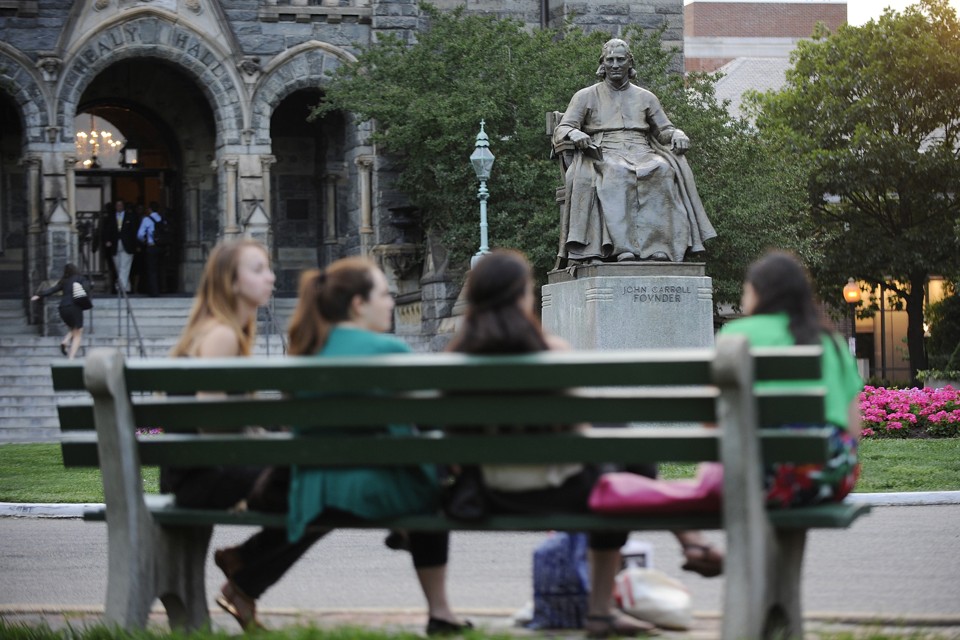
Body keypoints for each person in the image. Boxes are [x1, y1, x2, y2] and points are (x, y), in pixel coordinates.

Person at [446, 249, 722, 638]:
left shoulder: (453, 361)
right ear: (521, 296)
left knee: (617, 440)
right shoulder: (552, 354)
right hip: (561, 491)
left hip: (485, 494)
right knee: (620, 450)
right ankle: (607, 606)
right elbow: (578, 435)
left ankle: (684, 545)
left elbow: (449, 443)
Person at [284, 257, 468, 636]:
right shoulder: (387, 350)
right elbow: (435, 418)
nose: (392, 301)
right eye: (384, 294)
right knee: (431, 487)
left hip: (313, 490)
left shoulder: (305, 349)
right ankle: (440, 611)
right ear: (358, 304)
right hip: (376, 491)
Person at [160, 238, 323, 631]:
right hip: (204, 476)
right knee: (324, 492)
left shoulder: (221, 330)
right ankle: (245, 570)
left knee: (321, 488)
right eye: (258, 269)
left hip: (198, 471)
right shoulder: (221, 335)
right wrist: (273, 450)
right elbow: (213, 422)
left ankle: (244, 573)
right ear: (231, 283)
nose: (271, 277)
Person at [553, 38, 716, 265]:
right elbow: (563, 127)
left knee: (662, 169)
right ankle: (622, 249)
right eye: (610, 60)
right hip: (604, 150)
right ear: (602, 64)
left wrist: (678, 133)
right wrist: (574, 134)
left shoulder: (646, 96)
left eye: (621, 59)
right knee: (618, 172)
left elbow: (664, 130)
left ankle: (659, 247)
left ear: (630, 62)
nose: (615, 64)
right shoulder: (586, 95)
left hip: (642, 149)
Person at [719, 251, 863, 507]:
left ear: (757, 292)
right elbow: (854, 428)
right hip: (827, 476)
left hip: (759, 476)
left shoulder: (735, 335)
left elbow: (716, 414)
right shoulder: (831, 341)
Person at [31, 263, 89, 360]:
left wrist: (39, 295)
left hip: (63, 308)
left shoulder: (64, 281)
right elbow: (86, 289)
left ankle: (65, 341)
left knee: (75, 328)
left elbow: (52, 290)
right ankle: (71, 358)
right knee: (78, 334)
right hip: (74, 307)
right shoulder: (80, 278)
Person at [100, 199, 139, 293]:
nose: (119, 207)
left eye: (120, 205)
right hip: (115, 245)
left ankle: (120, 287)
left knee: (124, 267)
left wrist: (136, 245)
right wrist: (107, 240)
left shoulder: (130, 217)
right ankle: (127, 287)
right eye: (117, 205)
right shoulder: (111, 217)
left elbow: (134, 231)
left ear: (123, 206)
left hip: (127, 245)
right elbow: (107, 230)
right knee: (119, 267)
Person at [137, 201, 163, 297]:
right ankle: (162, 289)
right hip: (161, 247)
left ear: (150, 209)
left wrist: (144, 240)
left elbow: (140, 234)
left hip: (151, 246)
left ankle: (154, 291)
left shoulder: (146, 220)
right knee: (160, 268)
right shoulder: (162, 218)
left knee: (151, 270)